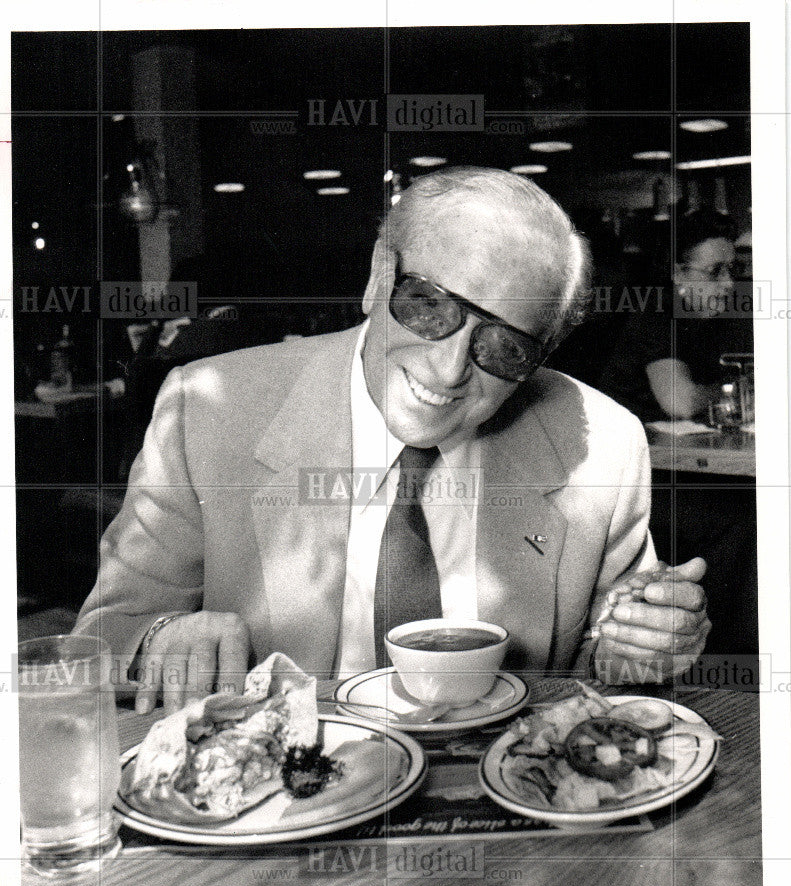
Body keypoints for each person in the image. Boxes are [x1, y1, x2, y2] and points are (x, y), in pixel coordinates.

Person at [73, 167, 711, 714]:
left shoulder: (604, 446)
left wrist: (646, 646)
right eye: (430, 307)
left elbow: (611, 660)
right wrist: (162, 638)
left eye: (506, 346)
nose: (450, 369)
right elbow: (99, 641)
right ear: (381, 276)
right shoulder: (209, 410)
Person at [599, 209, 752, 423]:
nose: (729, 283)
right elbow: (681, 403)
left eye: (732, 269)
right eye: (715, 271)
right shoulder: (656, 315)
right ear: (678, 274)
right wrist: (742, 390)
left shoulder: (719, 314)